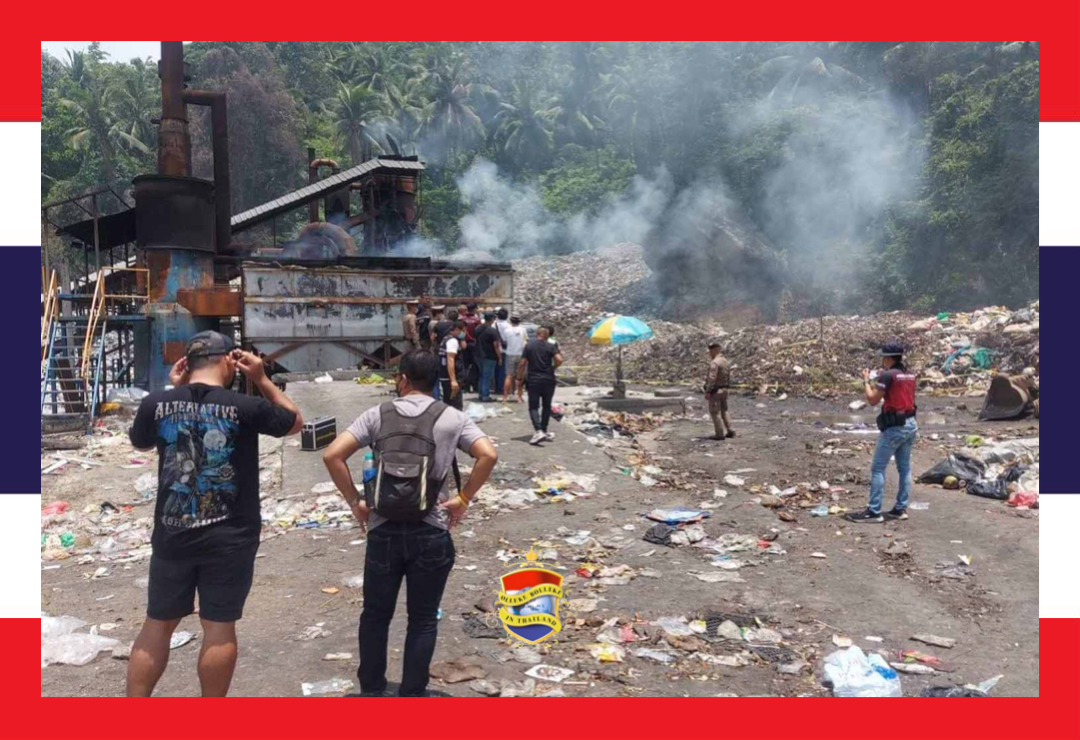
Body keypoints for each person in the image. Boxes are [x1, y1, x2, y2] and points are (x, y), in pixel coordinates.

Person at [126, 331, 303, 697]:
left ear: (186, 365)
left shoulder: (155, 403)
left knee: (157, 624)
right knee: (219, 626)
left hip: (172, 533)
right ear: (228, 361)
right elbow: (294, 421)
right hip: (229, 538)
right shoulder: (244, 405)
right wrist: (261, 378)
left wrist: (171, 391)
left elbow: (142, 440)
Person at [321, 350, 498, 697]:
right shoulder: (452, 418)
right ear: (436, 382)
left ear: (401, 378)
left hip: (383, 530)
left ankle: (372, 690)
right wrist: (462, 499)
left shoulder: (377, 414)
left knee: (375, 616)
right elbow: (488, 454)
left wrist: (357, 503)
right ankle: (413, 694)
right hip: (430, 530)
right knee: (422, 619)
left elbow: (332, 455)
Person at [845, 342, 918, 524]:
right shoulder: (909, 375)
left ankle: (874, 511)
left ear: (888, 358)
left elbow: (871, 400)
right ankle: (900, 509)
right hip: (910, 423)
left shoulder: (887, 375)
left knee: (878, 468)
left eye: (883, 357)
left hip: (895, 426)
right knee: (904, 468)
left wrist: (866, 381)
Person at [518, 325, 562, 445]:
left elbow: (522, 363)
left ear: (537, 334)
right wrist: (553, 368)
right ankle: (544, 429)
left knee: (533, 406)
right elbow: (559, 359)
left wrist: (519, 377)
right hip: (549, 379)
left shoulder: (529, 346)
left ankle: (538, 430)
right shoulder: (551, 346)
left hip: (534, 379)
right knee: (546, 405)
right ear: (547, 336)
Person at [704, 341, 735, 441]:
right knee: (724, 410)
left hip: (716, 391)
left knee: (715, 412)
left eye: (710, 351)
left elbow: (712, 378)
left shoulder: (715, 362)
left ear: (714, 350)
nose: (709, 353)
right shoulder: (725, 361)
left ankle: (719, 434)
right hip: (725, 389)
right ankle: (730, 430)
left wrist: (708, 391)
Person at [437, 319, 468, 411]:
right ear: (457, 329)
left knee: (448, 402)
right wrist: (453, 380)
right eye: (463, 330)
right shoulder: (452, 341)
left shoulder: (445, 339)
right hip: (450, 377)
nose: (464, 333)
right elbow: (450, 359)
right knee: (456, 404)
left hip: (445, 376)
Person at [475, 312, 502, 402]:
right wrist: (500, 357)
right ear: (491, 319)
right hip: (489, 356)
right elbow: (496, 345)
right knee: (487, 376)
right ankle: (485, 395)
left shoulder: (478, 328)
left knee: (481, 375)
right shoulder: (492, 331)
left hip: (478, 354)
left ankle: (480, 393)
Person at [502, 314, 528, 403]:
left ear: (511, 321)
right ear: (519, 321)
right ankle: (519, 397)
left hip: (510, 354)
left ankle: (505, 397)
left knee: (509, 376)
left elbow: (504, 341)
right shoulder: (523, 330)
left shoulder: (506, 330)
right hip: (521, 355)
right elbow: (526, 341)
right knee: (520, 377)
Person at [462, 303, 482, 393]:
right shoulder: (477, 320)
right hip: (474, 344)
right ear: (474, 309)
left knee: (465, 365)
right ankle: (474, 386)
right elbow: (479, 332)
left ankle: (465, 386)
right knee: (475, 366)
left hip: (464, 343)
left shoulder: (462, 319)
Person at [494, 308, 511, 399]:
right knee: (502, 370)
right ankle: (500, 388)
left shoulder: (493, 324)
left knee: (495, 370)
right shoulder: (508, 326)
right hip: (504, 350)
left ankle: (495, 387)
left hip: (494, 350)